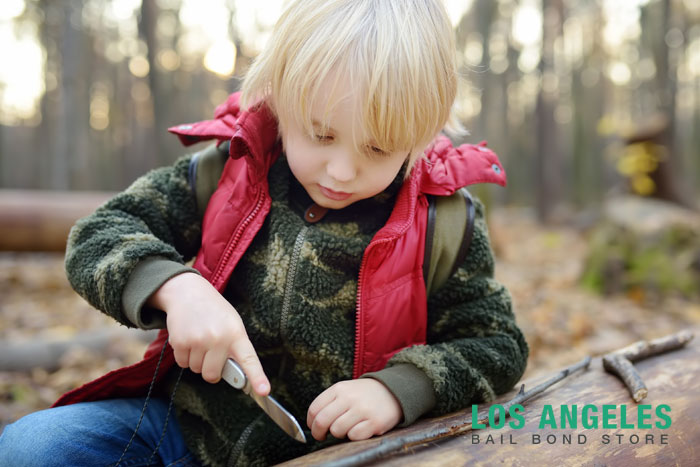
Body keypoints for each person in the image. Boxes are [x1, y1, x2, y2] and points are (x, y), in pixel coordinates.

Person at [0, 0, 528, 465]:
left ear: (421, 130)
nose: (341, 170)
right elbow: (99, 234)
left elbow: (496, 343)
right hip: (186, 429)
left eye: (378, 149)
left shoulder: (442, 221)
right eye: (321, 134)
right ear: (280, 97)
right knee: (34, 449)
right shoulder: (231, 169)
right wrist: (178, 289)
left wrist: (397, 390)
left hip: (342, 454)